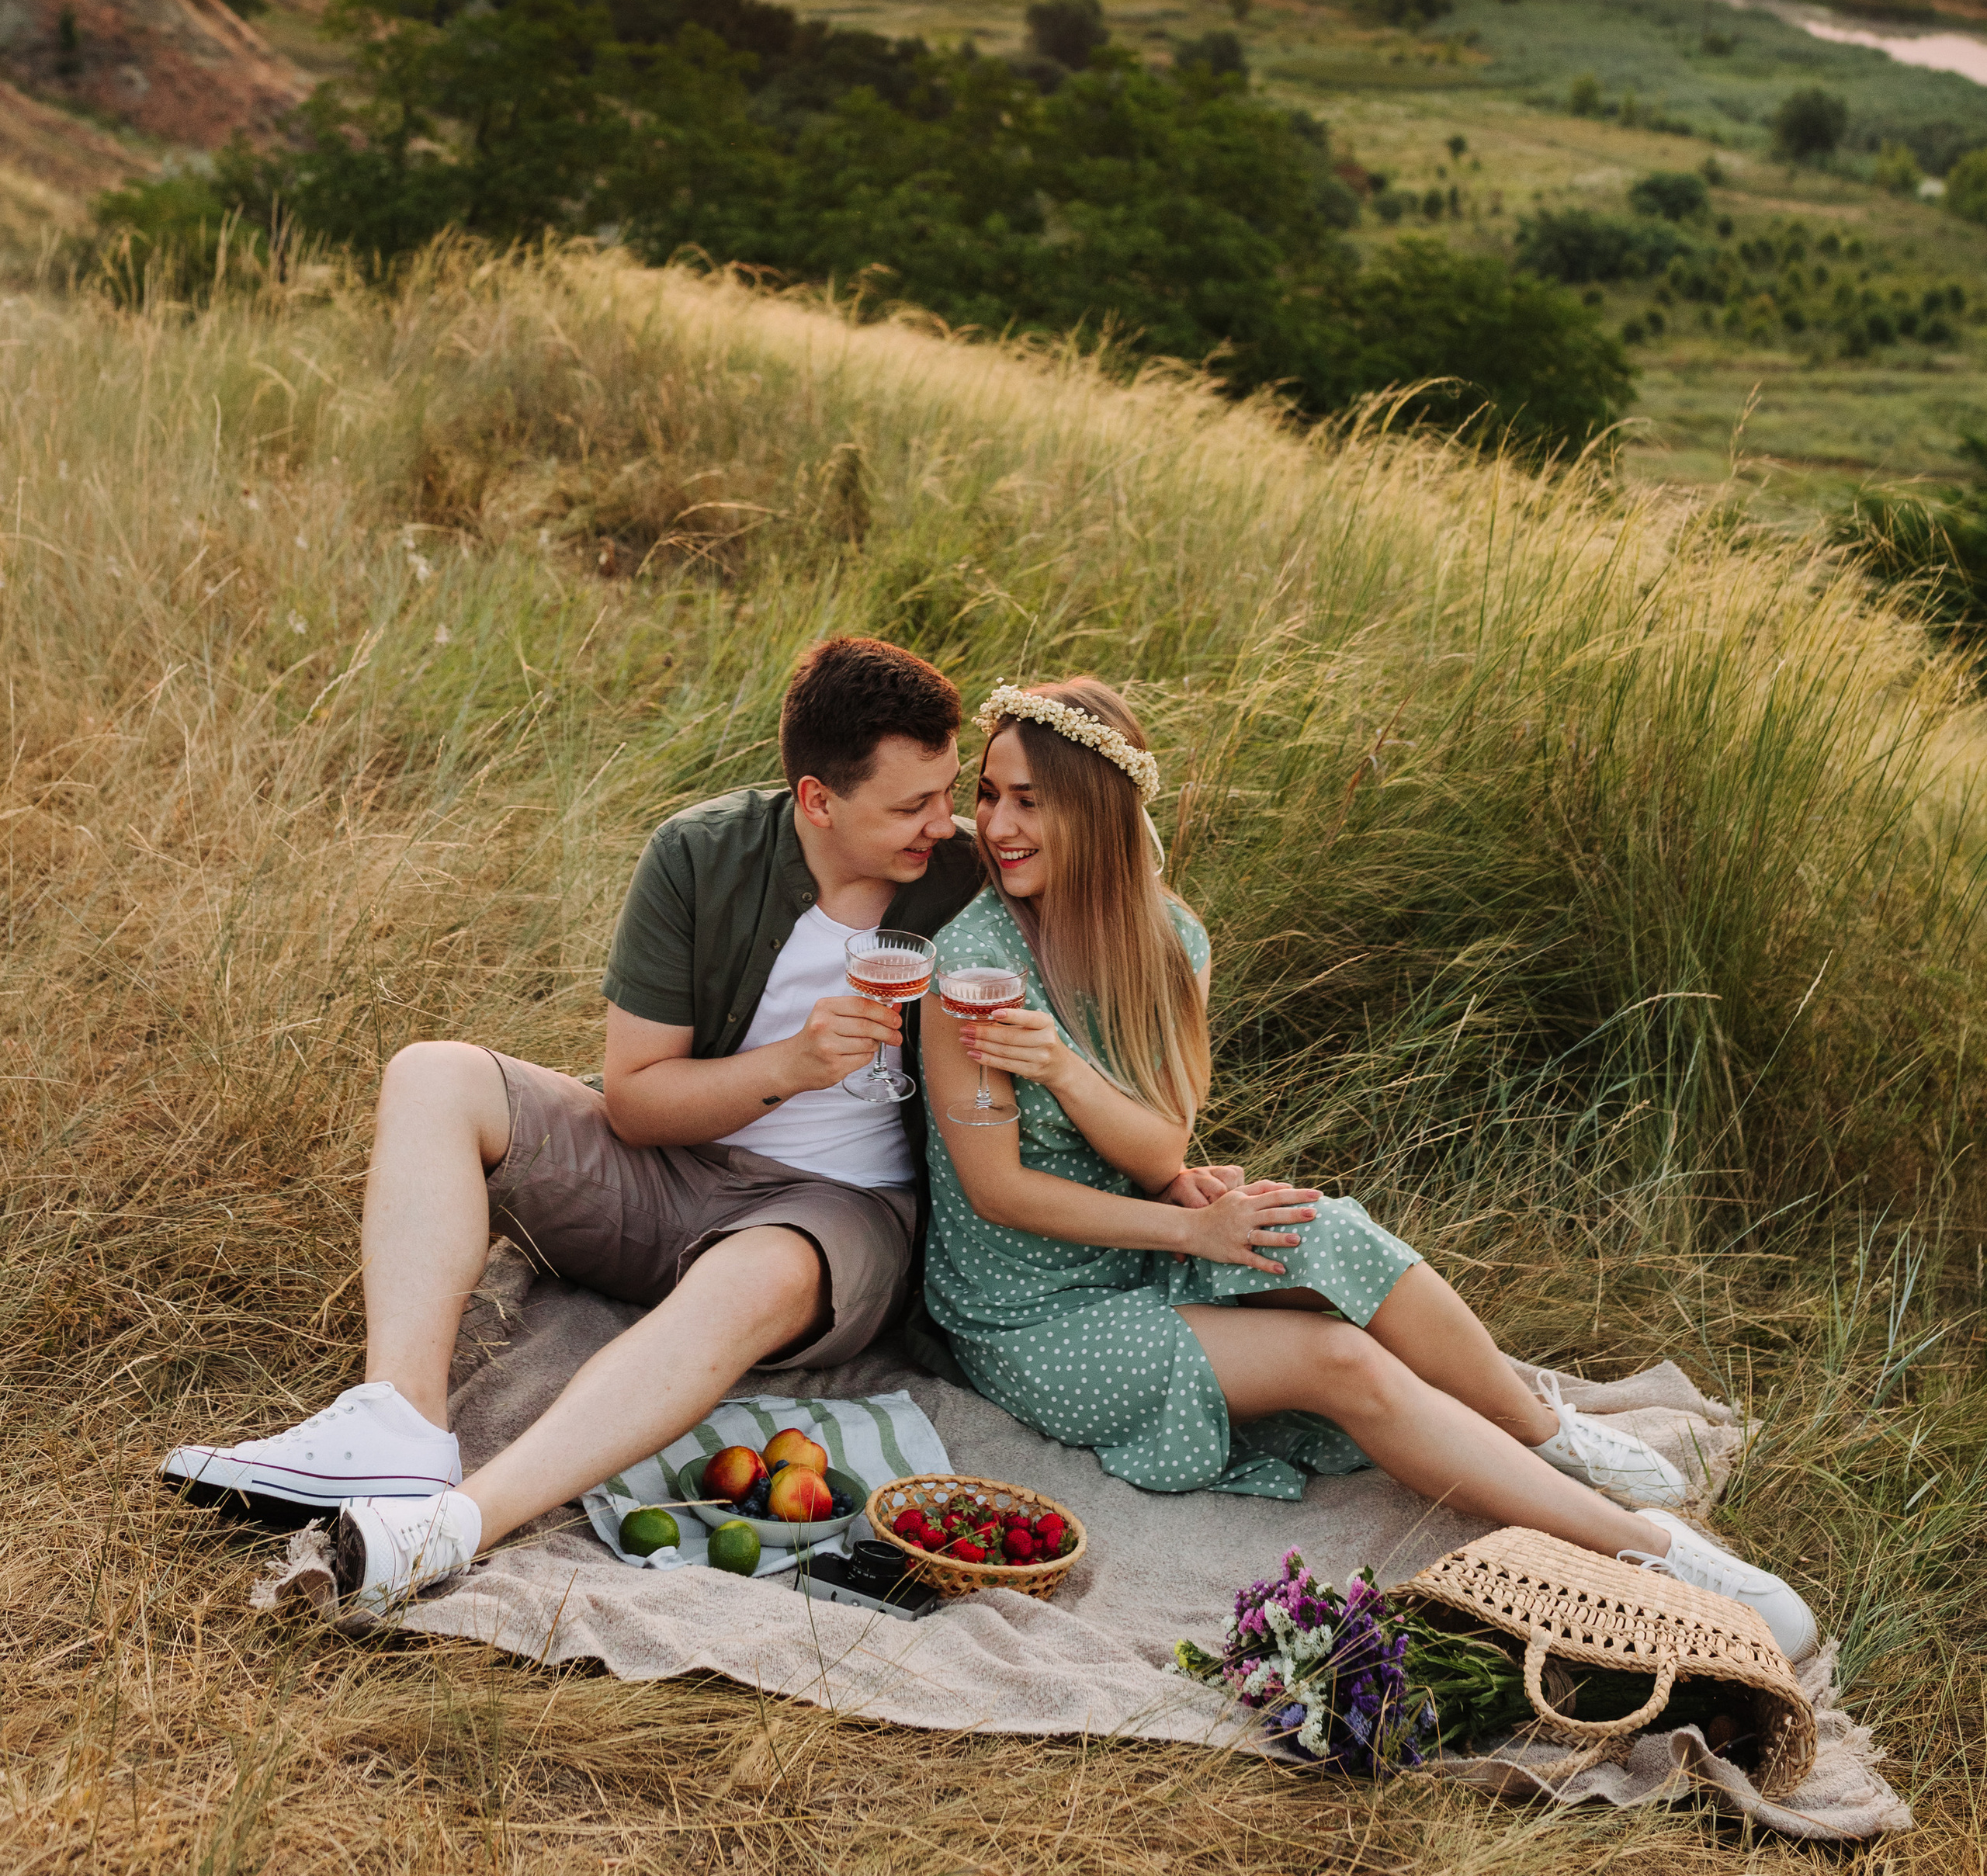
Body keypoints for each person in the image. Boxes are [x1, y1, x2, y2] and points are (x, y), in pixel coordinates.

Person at [920, 677, 1819, 1661]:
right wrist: (1185, 1224)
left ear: (1096, 812)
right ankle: (1650, 1552)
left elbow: (1161, 1148)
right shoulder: (969, 970)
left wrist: (1070, 1079)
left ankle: (1535, 1432)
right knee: (1338, 1357)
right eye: (989, 795)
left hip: (1143, 1235)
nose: (995, 826)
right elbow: (999, 1191)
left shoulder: (1168, 939)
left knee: (1328, 1231)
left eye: (1028, 801)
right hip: (1031, 1311)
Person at [164, 635, 982, 1610]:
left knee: (755, 1273)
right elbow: (635, 1101)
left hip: (837, 1215)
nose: (944, 821)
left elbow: (1112, 890)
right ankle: (399, 1426)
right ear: (817, 799)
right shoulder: (700, 854)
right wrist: (789, 1068)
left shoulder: (969, 874)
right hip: (672, 1169)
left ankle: (454, 1525)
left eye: (948, 790)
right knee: (432, 1075)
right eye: (911, 805)